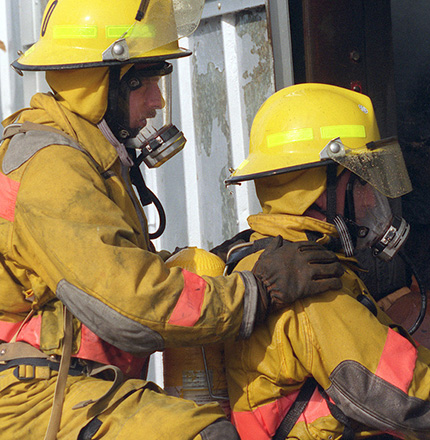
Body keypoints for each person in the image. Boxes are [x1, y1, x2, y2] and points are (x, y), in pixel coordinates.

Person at [0, 2, 342, 439]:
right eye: (147, 83)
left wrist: (222, 262)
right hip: (33, 399)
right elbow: (129, 305)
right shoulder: (53, 167)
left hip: (74, 386)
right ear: (101, 83)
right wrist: (260, 290)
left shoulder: (83, 155)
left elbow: (106, 268)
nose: (158, 102)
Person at [221, 82, 430, 440]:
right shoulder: (307, 288)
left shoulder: (288, 261)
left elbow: (411, 366)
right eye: (363, 181)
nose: (372, 201)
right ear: (319, 189)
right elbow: (401, 395)